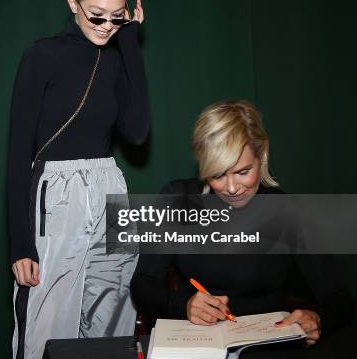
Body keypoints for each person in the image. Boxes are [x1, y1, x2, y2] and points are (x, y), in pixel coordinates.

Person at [3, 0, 149, 359]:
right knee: (43, 339)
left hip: (109, 186)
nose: (107, 25)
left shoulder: (119, 49)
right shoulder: (42, 55)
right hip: (57, 193)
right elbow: (16, 152)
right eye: (97, 15)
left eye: (118, 15)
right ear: (73, 5)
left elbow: (139, 132)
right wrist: (20, 241)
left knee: (113, 324)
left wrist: (131, 43)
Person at [131, 99, 354, 344]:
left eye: (242, 172)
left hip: (271, 353)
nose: (231, 188)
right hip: (199, 346)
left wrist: (319, 318)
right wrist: (182, 304)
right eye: (217, 174)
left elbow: (341, 299)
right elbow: (142, 285)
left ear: (262, 155)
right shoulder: (177, 200)